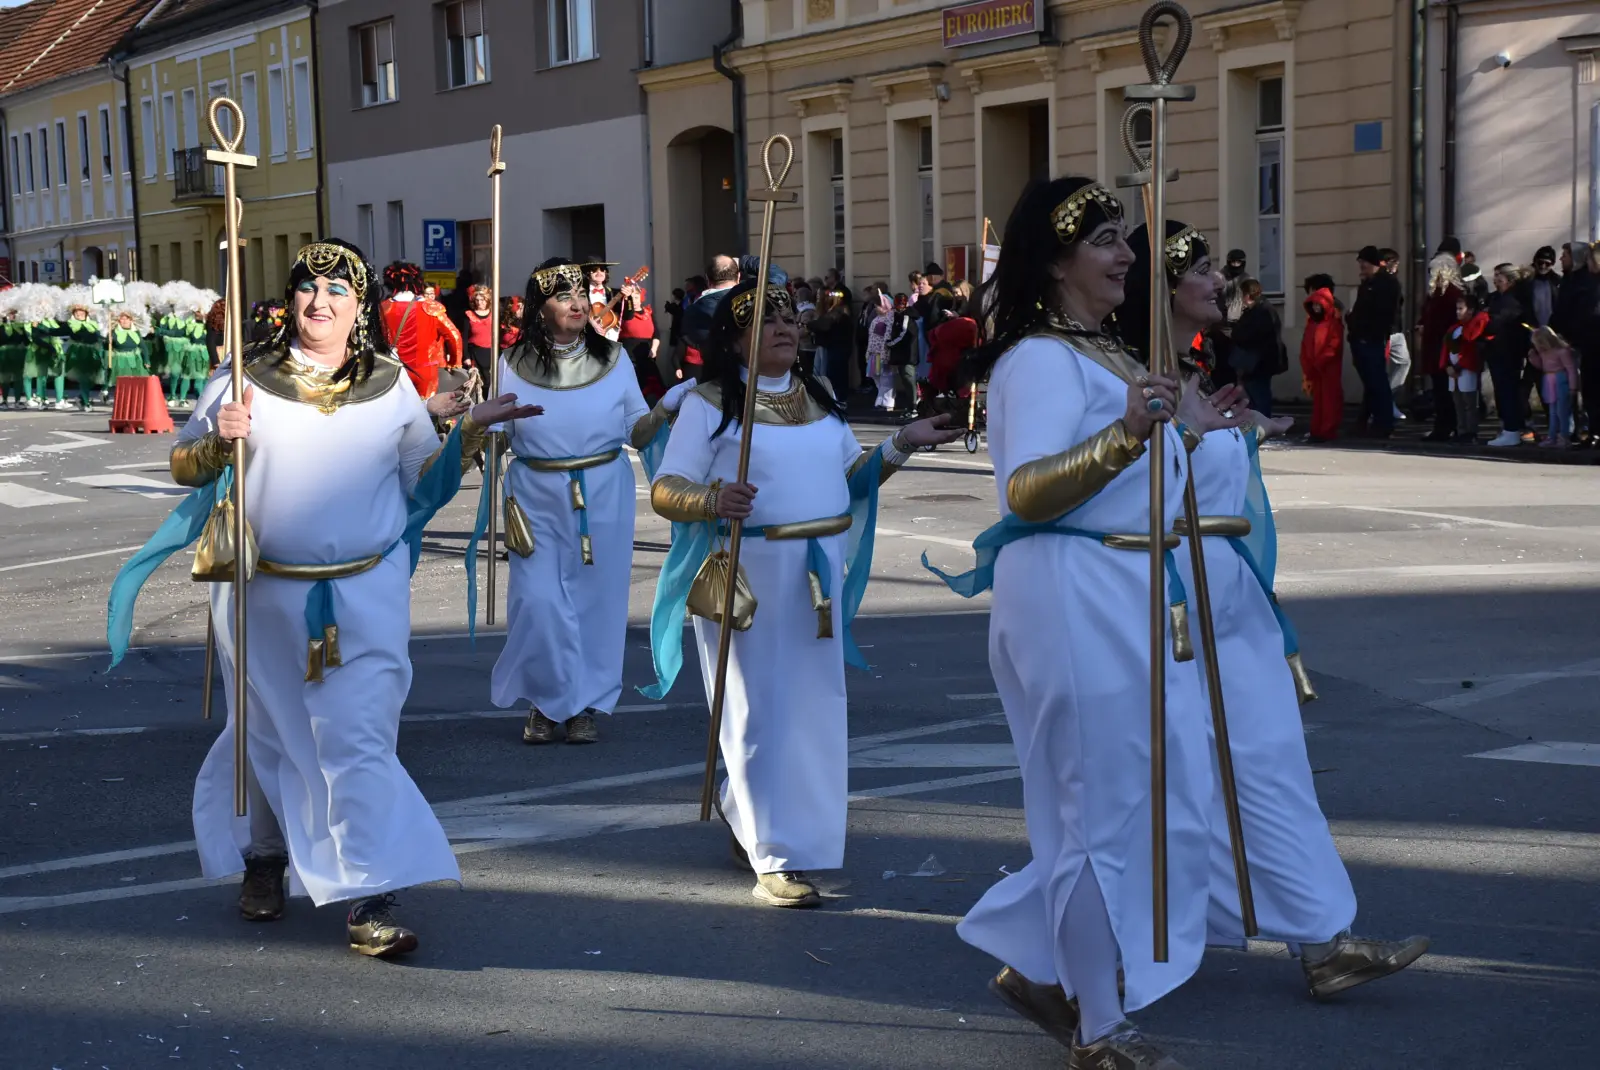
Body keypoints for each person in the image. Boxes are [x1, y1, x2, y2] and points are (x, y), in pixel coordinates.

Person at [107, 239, 539, 957]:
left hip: (366, 592)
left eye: (337, 292)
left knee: (361, 738)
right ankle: (265, 858)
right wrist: (218, 441)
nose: (320, 303)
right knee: (271, 734)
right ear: (290, 297)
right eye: (308, 288)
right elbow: (185, 466)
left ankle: (370, 893)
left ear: (358, 306)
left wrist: (465, 437)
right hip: (264, 593)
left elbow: (418, 481)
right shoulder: (244, 378)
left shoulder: (392, 382)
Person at [922, 178, 1245, 1068]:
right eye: (1106, 240)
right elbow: (1024, 490)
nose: (1128, 256)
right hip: (1070, 586)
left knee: (1147, 800)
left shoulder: (1109, 355)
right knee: (1095, 811)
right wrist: (1127, 438)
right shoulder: (1036, 359)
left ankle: (1045, 963)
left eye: (1123, 239)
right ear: (1057, 259)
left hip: (1131, 587)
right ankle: (1100, 1029)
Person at [1122, 219, 1429, 1018]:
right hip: (1169, 595)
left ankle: (1325, 939)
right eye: (1194, 271)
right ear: (1160, 289)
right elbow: (1119, 489)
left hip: (1229, 592)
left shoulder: (1195, 367)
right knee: (1172, 778)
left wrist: (1235, 432)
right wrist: (1190, 435)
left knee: (1270, 761)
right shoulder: (1123, 377)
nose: (1218, 282)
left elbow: (1208, 484)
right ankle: (1086, 947)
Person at [644, 273, 959, 909]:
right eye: (767, 321)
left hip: (815, 578)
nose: (786, 329)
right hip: (749, 576)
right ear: (736, 341)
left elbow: (851, 477)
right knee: (757, 709)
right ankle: (773, 853)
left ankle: (771, 829)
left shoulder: (816, 396)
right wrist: (711, 498)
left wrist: (902, 443)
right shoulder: (709, 404)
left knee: (815, 710)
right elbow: (665, 488)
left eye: (791, 320)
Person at [469, 258, 689, 747]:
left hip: (602, 491)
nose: (575, 304)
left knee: (595, 600)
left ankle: (585, 703)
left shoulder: (612, 360)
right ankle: (545, 701)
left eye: (578, 295)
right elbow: (495, 437)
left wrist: (664, 408)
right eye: (560, 296)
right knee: (539, 601)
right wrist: (483, 426)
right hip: (534, 493)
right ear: (539, 308)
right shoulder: (510, 362)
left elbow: (636, 429)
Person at [381, 261, 463, 399]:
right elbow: (454, 335)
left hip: (393, 369)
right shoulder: (431, 307)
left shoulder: (382, 309)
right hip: (426, 370)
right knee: (428, 411)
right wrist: (454, 363)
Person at [1346, 246, 1399, 437]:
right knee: (1371, 383)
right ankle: (1369, 421)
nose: (1361, 267)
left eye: (1364, 263)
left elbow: (1382, 314)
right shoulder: (1369, 283)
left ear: (1373, 263)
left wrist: (1361, 326)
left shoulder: (1385, 284)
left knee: (1377, 382)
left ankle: (1383, 423)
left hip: (1371, 339)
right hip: (1361, 339)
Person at [1418, 247, 1465, 440]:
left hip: (1444, 347)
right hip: (1434, 346)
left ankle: (1447, 426)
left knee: (1446, 390)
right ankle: (1444, 425)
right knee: (1440, 389)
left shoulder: (1451, 294)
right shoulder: (1437, 293)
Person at [1484, 264, 1530, 448]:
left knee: (1508, 390)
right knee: (1502, 391)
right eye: (1494, 276)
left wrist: (1486, 321)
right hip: (1497, 350)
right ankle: (1508, 428)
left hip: (1508, 350)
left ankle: (1512, 430)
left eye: (1499, 278)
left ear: (1510, 281)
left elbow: (1497, 321)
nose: (1495, 281)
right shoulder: (1497, 298)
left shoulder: (1513, 299)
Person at [1228, 278, 1281, 417]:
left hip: (1257, 363)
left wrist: (1236, 333)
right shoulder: (1258, 309)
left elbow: (1252, 336)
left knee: (1259, 399)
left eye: (1242, 294)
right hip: (1255, 363)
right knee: (1255, 398)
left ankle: (1262, 427)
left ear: (1247, 295)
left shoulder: (1262, 311)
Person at [1300, 275, 1344, 442]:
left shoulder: (1333, 322)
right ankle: (1317, 430)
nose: (1316, 308)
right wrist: (1307, 365)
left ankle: (1327, 431)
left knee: (1330, 401)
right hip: (1316, 369)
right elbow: (1305, 345)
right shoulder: (1312, 323)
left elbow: (1334, 345)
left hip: (1327, 369)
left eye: (1319, 304)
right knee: (1318, 403)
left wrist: (1319, 362)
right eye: (1314, 304)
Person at [1442, 292, 1489, 442]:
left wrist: (1459, 366)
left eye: (1460, 309)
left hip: (1466, 369)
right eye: (1457, 309)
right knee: (1458, 403)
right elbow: (1446, 349)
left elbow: (1471, 350)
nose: (1457, 312)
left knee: (1469, 403)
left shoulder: (1473, 327)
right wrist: (1447, 366)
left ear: (1470, 310)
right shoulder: (1454, 328)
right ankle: (1460, 430)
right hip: (1453, 370)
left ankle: (1471, 432)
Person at [1529, 326, 1579, 447]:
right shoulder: (1544, 352)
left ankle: (1564, 436)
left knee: (1562, 411)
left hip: (1560, 379)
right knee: (1552, 411)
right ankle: (1552, 436)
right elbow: (1542, 366)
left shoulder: (1562, 351)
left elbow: (1571, 369)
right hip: (1549, 379)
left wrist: (1573, 387)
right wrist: (1533, 358)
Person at [1379, 248, 1409, 421]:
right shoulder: (1382, 281)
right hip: (1386, 331)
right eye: (1393, 262)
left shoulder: (1394, 280)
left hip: (1396, 330)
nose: (1396, 266)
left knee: (1404, 363)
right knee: (1379, 370)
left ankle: (1389, 401)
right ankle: (1383, 405)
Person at [64, 299, 105, 409]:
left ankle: (81, 397)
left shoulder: (93, 324)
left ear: (86, 313)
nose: (79, 314)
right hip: (78, 353)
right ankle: (86, 403)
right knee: (83, 379)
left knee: (93, 378)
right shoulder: (71, 324)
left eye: (82, 312)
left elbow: (98, 337)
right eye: (76, 312)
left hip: (92, 353)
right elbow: (57, 331)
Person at [464, 284, 495, 369]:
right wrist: (466, 357)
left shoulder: (495, 315)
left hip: (492, 353)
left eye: (482, 300)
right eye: (477, 300)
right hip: (474, 353)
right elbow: (464, 338)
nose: (479, 302)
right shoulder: (469, 315)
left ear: (488, 300)